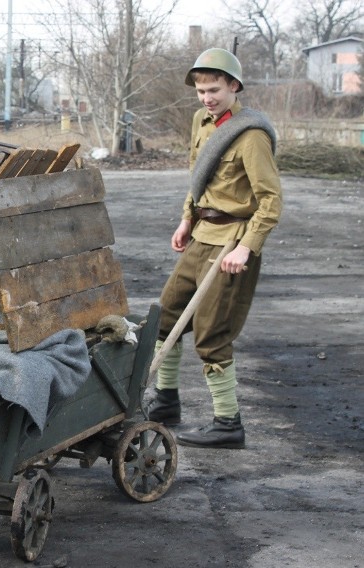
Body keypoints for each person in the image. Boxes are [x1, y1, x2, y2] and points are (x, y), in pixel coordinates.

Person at [145, 48, 282, 449]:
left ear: (234, 86)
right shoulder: (201, 122)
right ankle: (167, 401)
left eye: (215, 89)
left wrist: (247, 248)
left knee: (211, 334)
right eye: (202, 90)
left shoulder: (251, 136)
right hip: (202, 235)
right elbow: (198, 177)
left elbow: (271, 200)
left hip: (232, 244)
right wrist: (187, 218)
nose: (207, 97)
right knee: (166, 315)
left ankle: (227, 423)